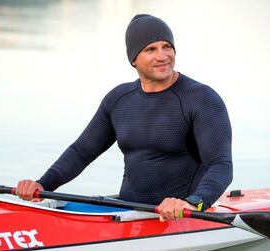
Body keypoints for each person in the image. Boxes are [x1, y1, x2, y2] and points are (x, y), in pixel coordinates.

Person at [17, 14, 233, 221]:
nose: (162, 56)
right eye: (151, 49)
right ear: (133, 59)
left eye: (167, 46)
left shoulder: (201, 99)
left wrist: (194, 202)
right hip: (125, 215)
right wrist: (43, 185)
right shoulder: (119, 99)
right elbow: (81, 152)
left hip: (179, 214)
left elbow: (221, 165)